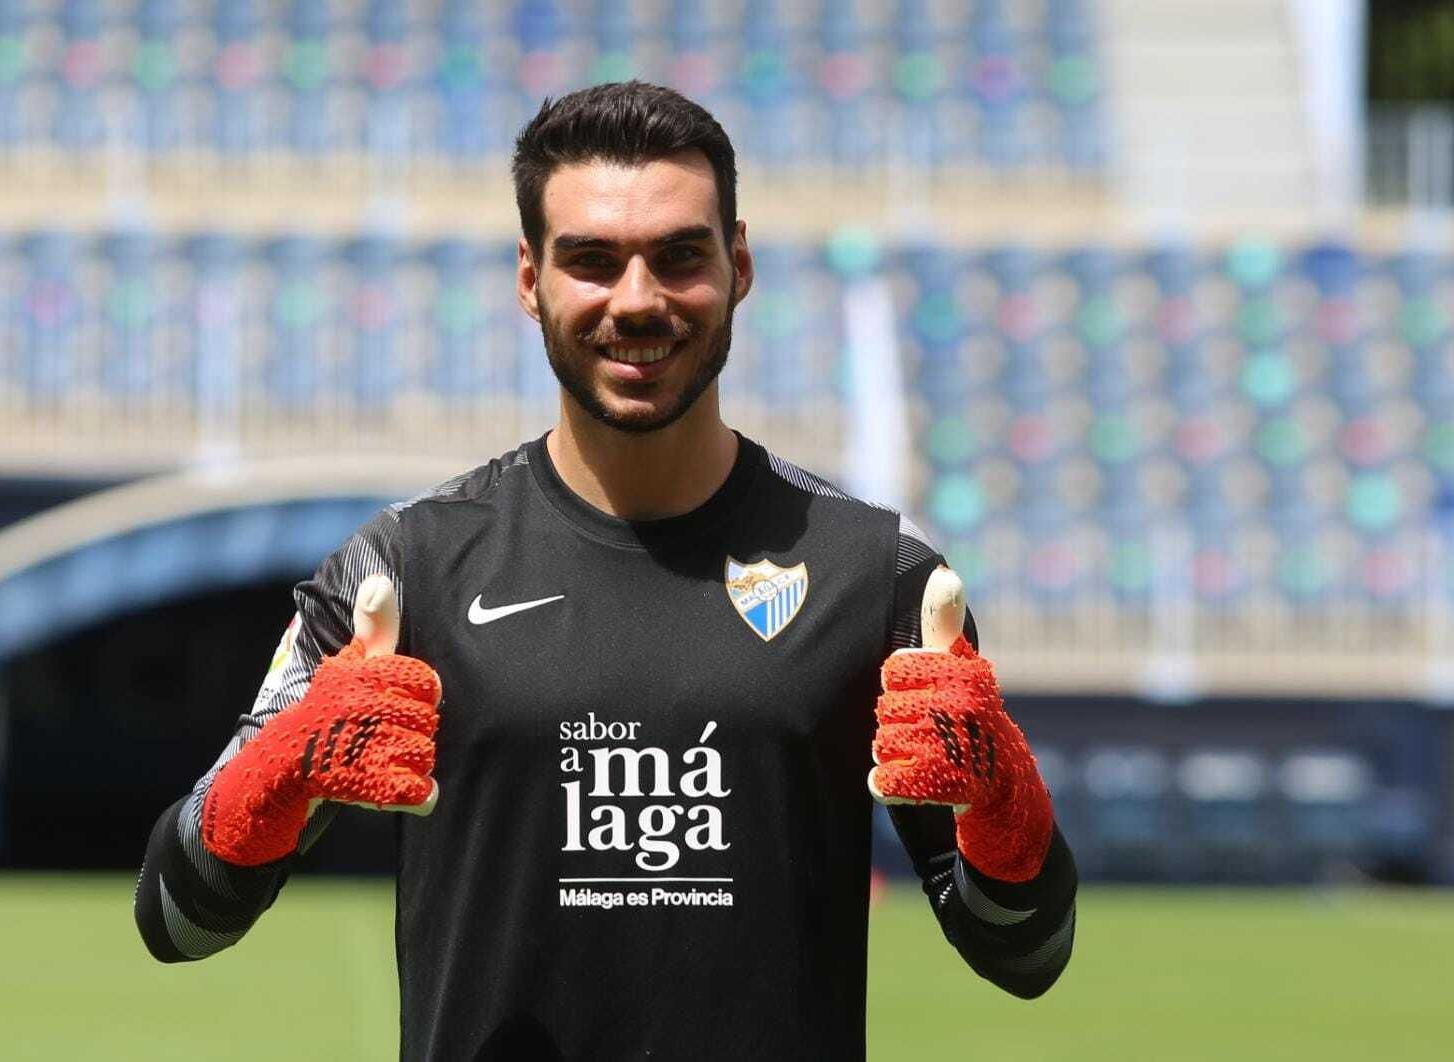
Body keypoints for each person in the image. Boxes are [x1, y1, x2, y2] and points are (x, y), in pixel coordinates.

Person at [134, 80, 1076, 1060]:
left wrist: (999, 798)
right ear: (528, 279)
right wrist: (285, 771)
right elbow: (177, 919)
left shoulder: (879, 578)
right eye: (591, 260)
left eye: (678, 256)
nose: (637, 300)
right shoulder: (400, 572)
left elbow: (1026, 954)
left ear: (738, 265)